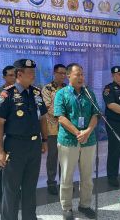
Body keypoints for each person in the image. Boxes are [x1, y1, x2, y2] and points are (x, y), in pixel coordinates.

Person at [0, 59, 48, 220]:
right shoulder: (7, 94)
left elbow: (43, 118)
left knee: (30, 188)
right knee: (11, 189)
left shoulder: (36, 93)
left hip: (34, 146)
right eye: (30, 73)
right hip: (14, 147)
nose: (33, 76)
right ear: (19, 74)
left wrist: (44, 140)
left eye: (33, 73)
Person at [54, 63, 98, 220]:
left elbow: (96, 114)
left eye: (82, 74)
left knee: (87, 176)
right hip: (68, 141)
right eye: (77, 74)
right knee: (67, 176)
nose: (81, 77)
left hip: (89, 140)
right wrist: (77, 132)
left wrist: (87, 131)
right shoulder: (61, 94)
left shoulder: (89, 93)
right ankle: (66, 207)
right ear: (68, 76)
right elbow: (60, 117)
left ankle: (85, 205)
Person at [0, 65, 16, 202]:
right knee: (1, 164)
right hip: (4, 134)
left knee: (15, 166)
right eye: (10, 75)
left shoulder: (21, 91)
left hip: (16, 136)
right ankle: (1, 194)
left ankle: (13, 193)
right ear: (4, 77)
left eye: (15, 74)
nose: (13, 77)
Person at [41, 64, 67, 195]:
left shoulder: (68, 88)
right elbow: (47, 107)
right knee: (52, 157)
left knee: (65, 157)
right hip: (52, 129)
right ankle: (51, 183)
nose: (63, 76)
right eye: (60, 73)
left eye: (65, 73)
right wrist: (64, 114)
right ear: (54, 73)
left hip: (66, 129)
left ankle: (65, 183)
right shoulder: (47, 89)